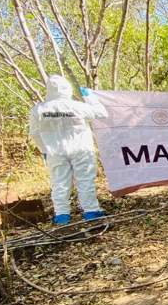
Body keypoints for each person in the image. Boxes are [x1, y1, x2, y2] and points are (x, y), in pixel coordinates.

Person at [29, 75, 109, 224]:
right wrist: (90, 97)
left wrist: (44, 150)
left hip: (55, 150)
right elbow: (102, 114)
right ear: (67, 89)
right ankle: (91, 211)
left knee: (59, 183)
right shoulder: (78, 106)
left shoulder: (38, 110)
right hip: (81, 149)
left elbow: (34, 133)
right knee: (85, 180)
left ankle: (62, 215)